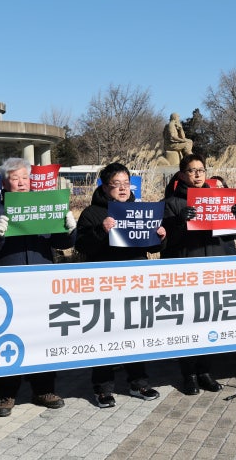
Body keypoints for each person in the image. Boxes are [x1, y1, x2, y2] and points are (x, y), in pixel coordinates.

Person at [0, 157, 75, 418]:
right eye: (15, 178)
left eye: (25, 178)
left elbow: (60, 241)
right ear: (4, 181)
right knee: (9, 336)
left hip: (41, 282)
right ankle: (6, 393)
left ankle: (44, 389)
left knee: (42, 335)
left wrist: (68, 227)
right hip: (8, 285)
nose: (21, 183)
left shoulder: (44, 205)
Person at [75, 162, 165, 407]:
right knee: (105, 333)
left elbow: (153, 247)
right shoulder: (92, 213)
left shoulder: (140, 210)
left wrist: (160, 236)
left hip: (135, 280)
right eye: (117, 184)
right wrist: (101, 230)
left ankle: (139, 383)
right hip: (104, 283)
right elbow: (81, 246)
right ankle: (102, 388)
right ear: (105, 187)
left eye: (127, 183)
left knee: (135, 331)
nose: (123, 188)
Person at [162, 154, 236, 395]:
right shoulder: (172, 202)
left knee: (211, 321)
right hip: (187, 269)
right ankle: (188, 373)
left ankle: (205, 371)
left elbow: (231, 236)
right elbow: (164, 242)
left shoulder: (219, 199)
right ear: (181, 174)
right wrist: (178, 222)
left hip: (214, 270)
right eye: (191, 170)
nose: (197, 175)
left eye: (201, 170)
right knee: (188, 323)